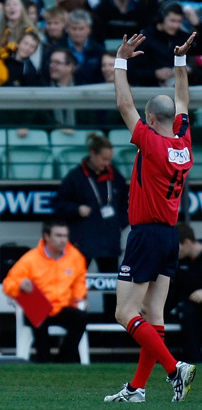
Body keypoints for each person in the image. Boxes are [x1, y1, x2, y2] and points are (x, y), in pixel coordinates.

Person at [103, 32, 197, 403]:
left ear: (149, 118)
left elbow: (124, 105)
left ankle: (176, 369)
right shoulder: (183, 143)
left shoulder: (152, 142)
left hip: (144, 235)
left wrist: (120, 62)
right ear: (172, 119)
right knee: (152, 313)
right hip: (170, 236)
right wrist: (179, 63)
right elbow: (184, 101)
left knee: (124, 312)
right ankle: (137, 388)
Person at [3, 218, 87, 363]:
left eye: (65, 236)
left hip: (62, 306)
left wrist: (79, 298)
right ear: (47, 236)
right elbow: (8, 283)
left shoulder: (75, 257)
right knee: (38, 316)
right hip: (39, 307)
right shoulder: (31, 259)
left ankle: (63, 360)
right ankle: (44, 360)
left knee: (81, 318)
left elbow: (80, 283)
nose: (63, 240)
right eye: (58, 236)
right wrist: (20, 284)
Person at [53, 133, 129, 273]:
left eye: (109, 160)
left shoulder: (116, 176)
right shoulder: (75, 177)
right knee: (75, 284)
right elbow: (59, 204)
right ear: (92, 154)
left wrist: (120, 223)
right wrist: (77, 209)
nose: (106, 163)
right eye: (103, 159)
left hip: (109, 242)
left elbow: (125, 203)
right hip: (83, 241)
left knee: (111, 286)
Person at [175, 223, 202, 363]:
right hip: (189, 307)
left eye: (176, 246)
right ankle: (195, 362)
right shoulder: (178, 262)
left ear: (186, 242)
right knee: (188, 312)